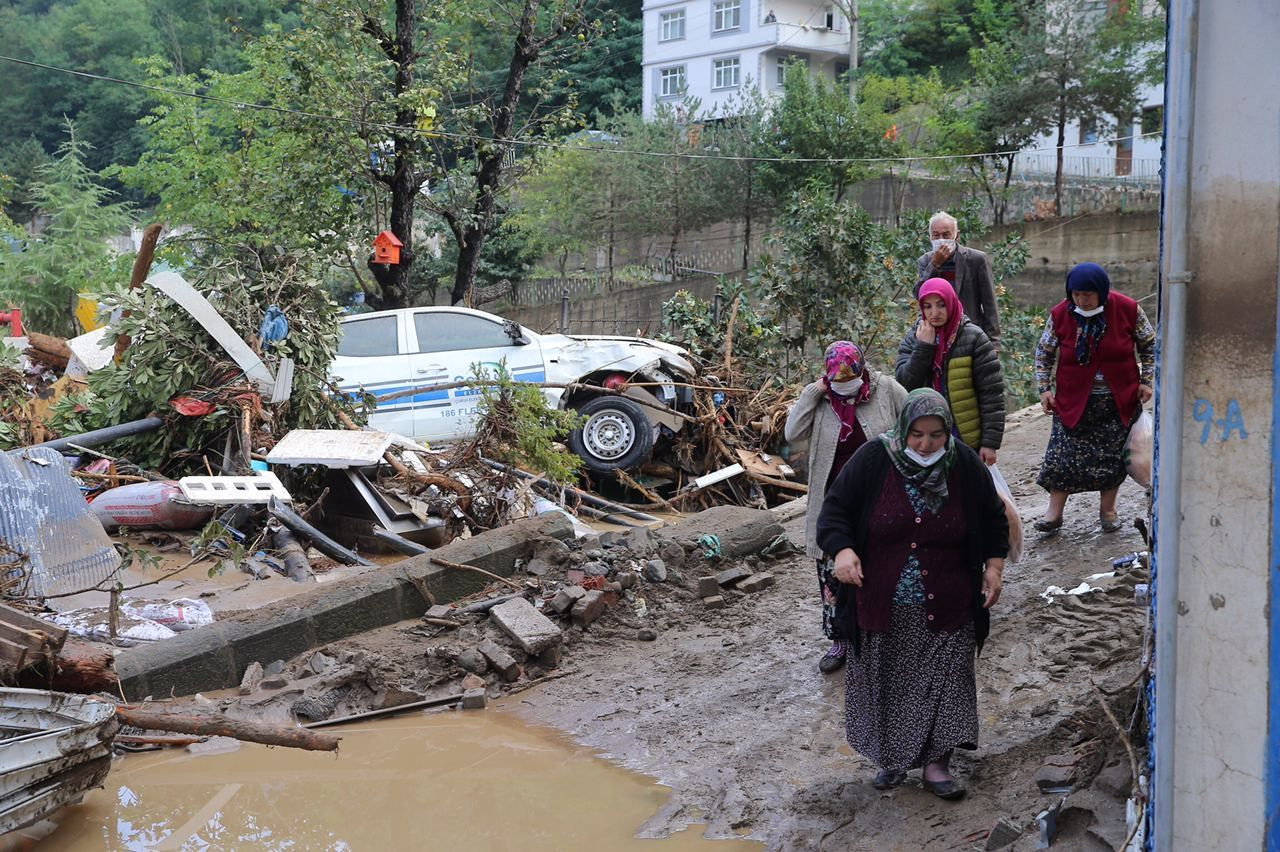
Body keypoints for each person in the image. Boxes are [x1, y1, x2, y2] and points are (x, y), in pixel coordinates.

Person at [817, 388, 1008, 799]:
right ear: (903, 429)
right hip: (882, 600)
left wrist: (994, 567)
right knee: (889, 683)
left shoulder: (964, 463)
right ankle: (893, 757)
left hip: (950, 598)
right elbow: (834, 513)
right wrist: (844, 550)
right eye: (917, 434)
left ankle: (937, 765)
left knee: (947, 680)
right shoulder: (873, 459)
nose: (925, 444)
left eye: (936, 435)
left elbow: (994, 519)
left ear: (947, 431)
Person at [785, 341, 907, 674]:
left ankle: (886, 637)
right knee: (833, 575)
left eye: (850, 380)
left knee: (882, 569)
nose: (845, 387)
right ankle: (839, 640)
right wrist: (813, 392)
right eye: (837, 382)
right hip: (834, 504)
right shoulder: (821, 399)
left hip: (881, 498)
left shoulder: (885, 389)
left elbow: (914, 419)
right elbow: (792, 433)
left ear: (862, 370)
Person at [1033, 262, 1155, 533]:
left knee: (1111, 460)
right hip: (1073, 401)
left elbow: (1149, 346)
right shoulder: (1061, 314)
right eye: (1076, 294)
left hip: (1117, 401)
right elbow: (1044, 353)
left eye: (1088, 294)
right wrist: (1044, 389)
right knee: (1062, 457)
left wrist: (1146, 381)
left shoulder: (1128, 310)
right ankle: (1054, 514)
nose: (1082, 301)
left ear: (1102, 291)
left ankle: (1108, 511)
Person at [895, 278, 1005, 464]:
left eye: (941, 305)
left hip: (965, 436)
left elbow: (992, 395)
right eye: (928, 306)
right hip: (926, 436)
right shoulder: (915, 337)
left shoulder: (974, 338)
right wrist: (923, 347)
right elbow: (905, 384)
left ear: (951, 302)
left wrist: (989, 443)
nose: (934, 313)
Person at [915, 212, 1001, 345]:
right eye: (936, 235)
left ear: (957, 235)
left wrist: (994, 342)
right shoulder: (925, 261)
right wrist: (934, 265)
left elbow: (990, 304)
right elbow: (919, 294)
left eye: (946, 235)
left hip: (969, 333)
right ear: (930, 237)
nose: (941, 240)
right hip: (936, 336)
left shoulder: (976, 260)